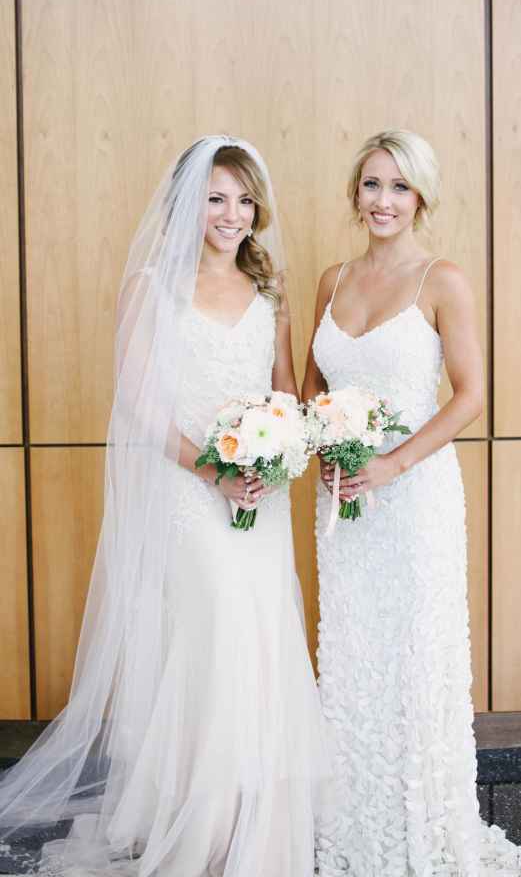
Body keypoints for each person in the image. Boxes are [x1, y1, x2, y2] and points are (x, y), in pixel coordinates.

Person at [0, 135, 331, 877]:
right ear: (187, 202)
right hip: (191, 493)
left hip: (258, 498)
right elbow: (141, 404)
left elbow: (284, 391)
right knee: (210, 640)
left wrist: (279, 453)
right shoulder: (152, 285)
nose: (232, 214)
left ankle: (257, 824)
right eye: (216, 197)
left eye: (245, 199)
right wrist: (213, 469)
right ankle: (200, 823)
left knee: (260, 639)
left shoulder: (270, 292)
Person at [302, 128, 521, 876]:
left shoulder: (444, 280)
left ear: (421, 196)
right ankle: (354, 827)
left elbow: (471, 396)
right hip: (345, 505)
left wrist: (391, 462)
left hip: (415, 496)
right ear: (354, 192)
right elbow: (312, 386)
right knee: (355, 658)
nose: (384, 201)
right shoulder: (331, 279)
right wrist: (320, 440)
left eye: (399, 187)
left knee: (413, 659)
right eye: (372, 184)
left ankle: (422, 832)